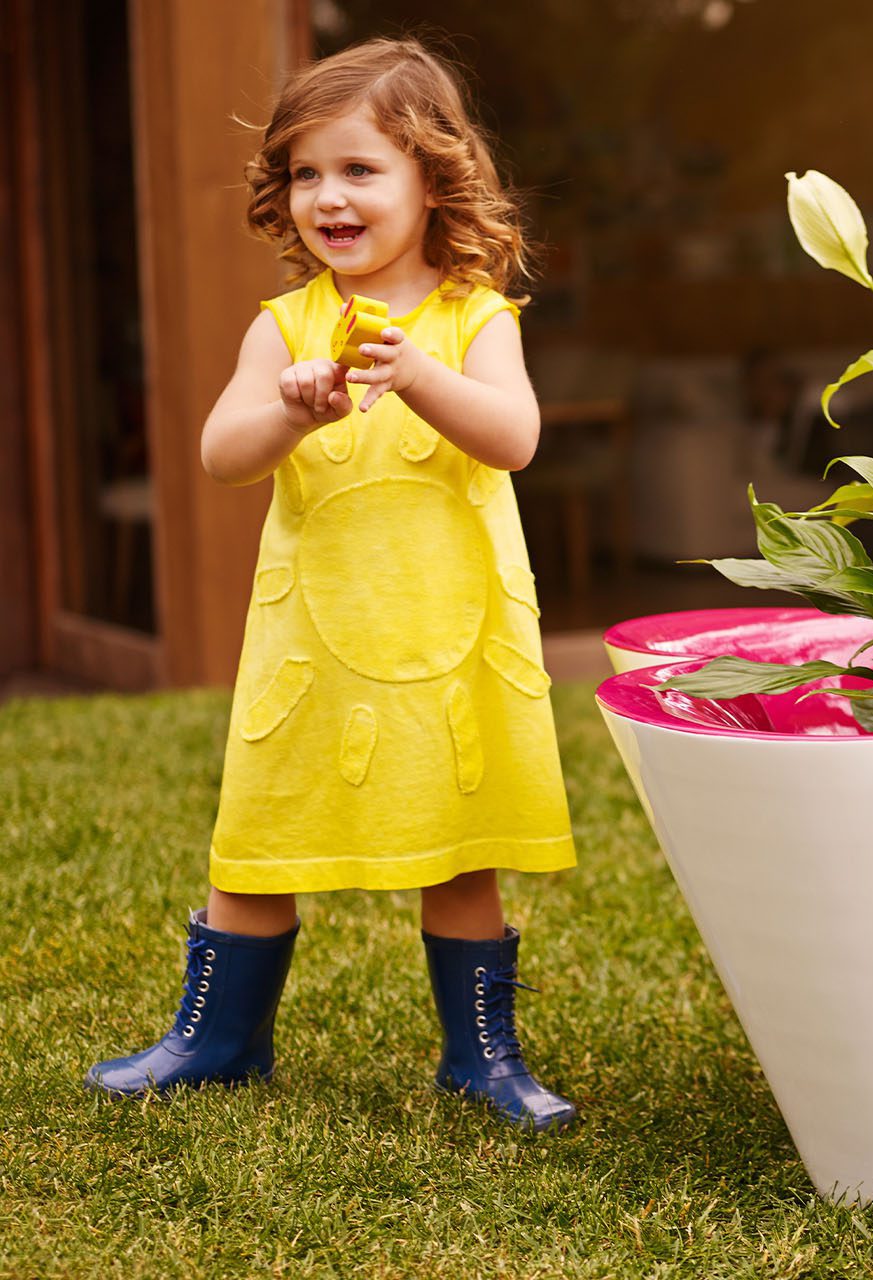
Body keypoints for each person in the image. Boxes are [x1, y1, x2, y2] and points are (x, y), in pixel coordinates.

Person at [85, 37, 579, 1131]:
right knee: (264, 831)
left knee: (458, 841)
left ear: (432, 180)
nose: (328, 195)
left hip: (447, 637)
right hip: (312, 640)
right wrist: (290, 409)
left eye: (359, 169)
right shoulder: (288, 326)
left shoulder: (472, 316)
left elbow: (515, 438)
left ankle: (482, 1055)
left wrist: (417, 374)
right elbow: (222, 451)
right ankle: (217, 1038)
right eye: (306, 172)